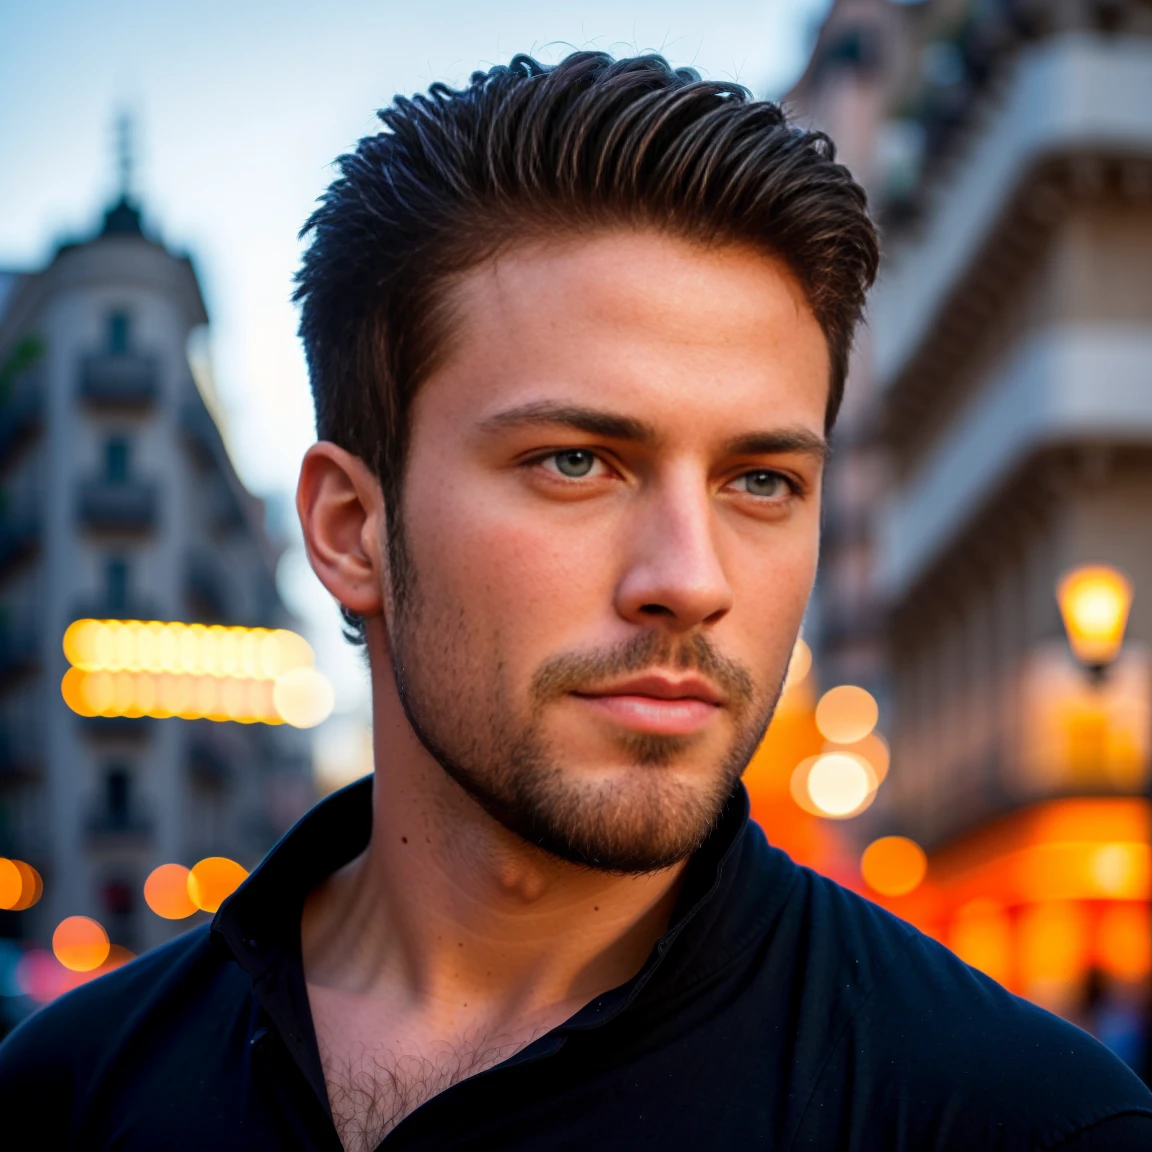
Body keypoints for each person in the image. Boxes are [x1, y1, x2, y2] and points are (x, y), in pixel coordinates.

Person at [1, 51, 1149, 1152]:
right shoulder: (71, 1096)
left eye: (761, 481)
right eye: (576, 463)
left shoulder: (1019, 1123)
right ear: (351, 530)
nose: (691, 580)